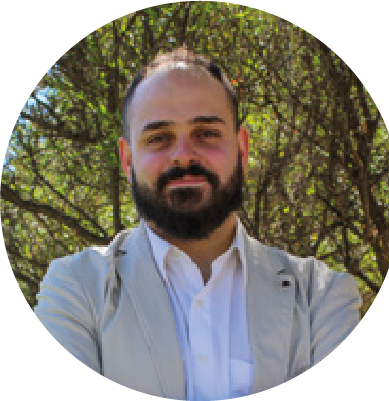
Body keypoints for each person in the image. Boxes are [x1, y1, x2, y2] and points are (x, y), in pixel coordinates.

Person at [35, 48, 361, 400]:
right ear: (128, 161)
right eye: (158, 138)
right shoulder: (76, 290)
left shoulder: (319, 299)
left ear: (242, 150)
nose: (183, 155)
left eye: (206, 133)